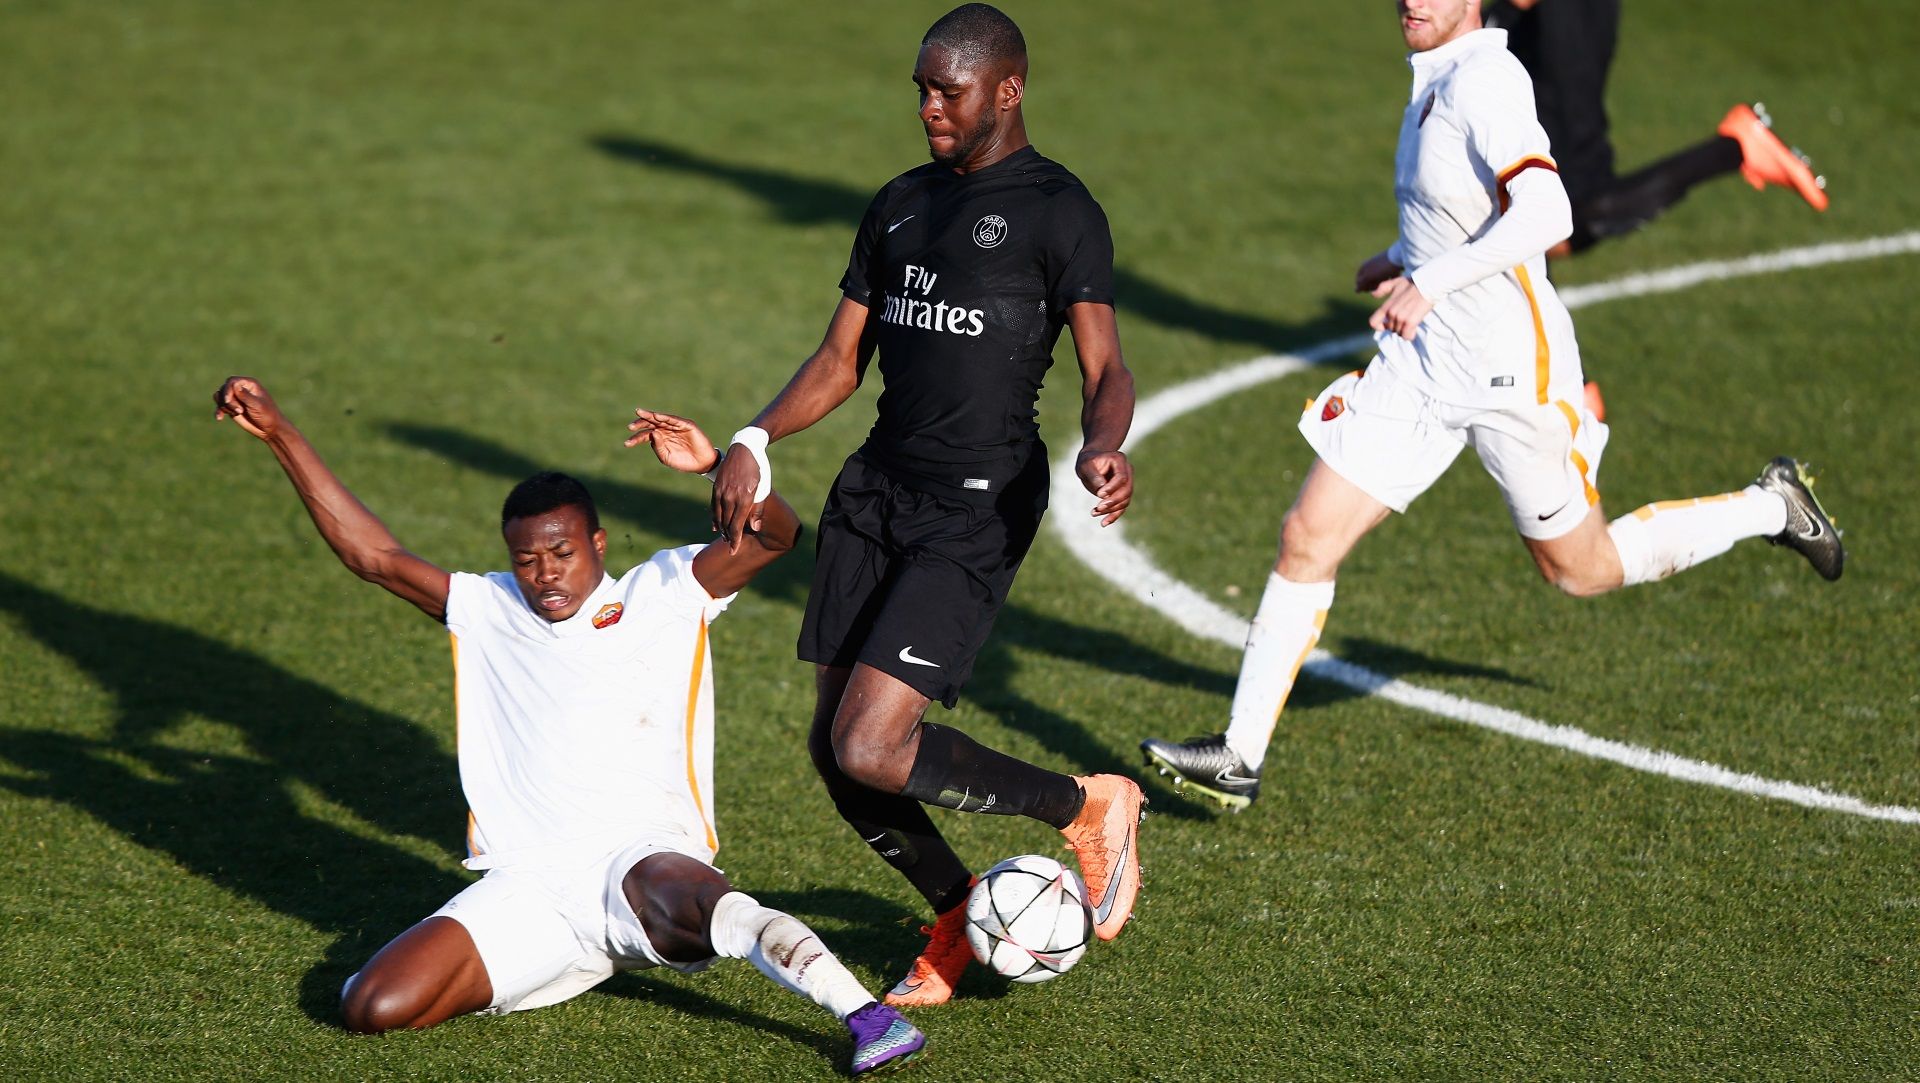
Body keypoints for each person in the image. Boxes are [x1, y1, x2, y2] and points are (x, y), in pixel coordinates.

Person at [1139, 0, 1845, 811]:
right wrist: (1403, 257)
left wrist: (1429, 280)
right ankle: (1239, 754)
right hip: (1425, 362)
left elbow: (1551, 213)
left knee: (1581, 570)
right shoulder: (1434, 79)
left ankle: (1770, 504)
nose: (1411, 0)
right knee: (1307, 535)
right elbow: (1464, 206)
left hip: (1510, 370)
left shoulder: (1488, 80)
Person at [212, 378, 925, 1076]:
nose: (546, 575)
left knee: (710, 905)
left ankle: (867, 1015)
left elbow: (776, 535)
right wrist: (280, 433)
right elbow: (373, 556)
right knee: (370, 1004)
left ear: (600, 543)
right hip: (531, 884)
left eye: (562, 554)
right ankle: (581, 956)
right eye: (527, 560)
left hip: (640, 858)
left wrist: (719, 463)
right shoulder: (487, 607)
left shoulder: (666, 592)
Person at [706, 4, 1144, 1008]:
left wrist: (1107, 445)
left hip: (978, 504)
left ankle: (1084, 805)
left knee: (874, 743)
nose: (928, 108)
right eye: (921, 89)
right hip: (877, 490)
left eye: (947, 91)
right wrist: (754, 437)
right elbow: (837, 361)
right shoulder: (900, 203)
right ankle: (954, 917)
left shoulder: (1057, 209)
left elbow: (1107, 365)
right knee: (834, 750)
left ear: (1008, 89)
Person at [1485, 0, 1828, 259]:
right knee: (1543, 221)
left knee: (1564, 217)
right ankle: (1735, 148)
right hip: (1552, 28)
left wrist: (1499, 17)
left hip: (1558, 24)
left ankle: (1735, 148)